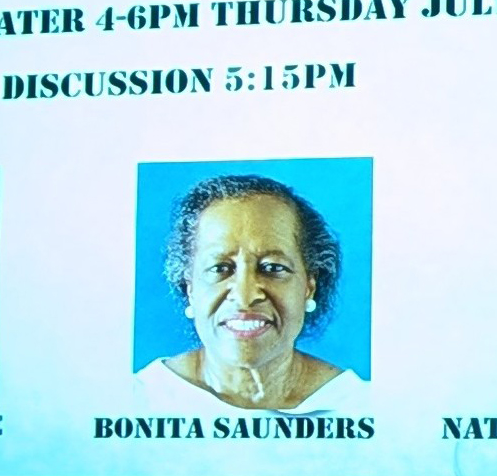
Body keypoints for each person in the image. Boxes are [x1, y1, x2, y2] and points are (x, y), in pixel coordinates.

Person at [134, 173, 367, 413]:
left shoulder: (360, 407)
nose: (245, 298)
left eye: (273, 268)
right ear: (190, 289)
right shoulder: (138, 401)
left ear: (309, 287)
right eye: (220, 268)